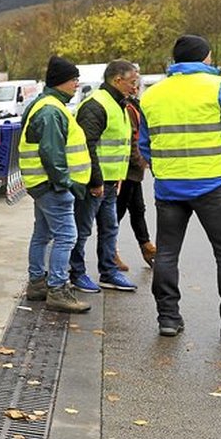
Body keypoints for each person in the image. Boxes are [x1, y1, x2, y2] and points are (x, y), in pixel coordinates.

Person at [139, 35, 221, 340]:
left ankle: (168, 319)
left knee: (166, 252)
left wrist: (163, 169)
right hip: (214, 183)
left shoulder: (152, 95)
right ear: (204, 58)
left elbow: (145, 143)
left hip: (169, 187)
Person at [20, 56, 92, 314]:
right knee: (66, 236)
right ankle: (58, 289)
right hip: (52, 185)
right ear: (61, 81)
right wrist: (65, 184)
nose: (77, 84)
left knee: (43, 234)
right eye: (74, 79)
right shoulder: (52, 110)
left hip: (41, 183)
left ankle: (37, 283)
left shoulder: (45, 104)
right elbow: (52, 152)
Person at [69, 60, 140, 293]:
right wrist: (96, 181)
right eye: (132, 82)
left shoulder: (119, 104)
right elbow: (87, 146)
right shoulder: (96, 105)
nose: (135, 87)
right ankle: (76, 273)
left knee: (110, 228)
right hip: (94, 183)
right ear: (117, 80)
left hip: (110, 182)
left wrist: (117, 177)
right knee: (82, 229)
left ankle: (108, 272)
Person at [114, 92, 156, 271]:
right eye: (132, 83)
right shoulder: (127, 108)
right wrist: (141, 162)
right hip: (126, 170)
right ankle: (110, 252)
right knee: (118, 212)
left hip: (133, 171)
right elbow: (130, 140)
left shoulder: (134, 106)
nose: (135, 87)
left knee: (138, 209)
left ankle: (146, 246)